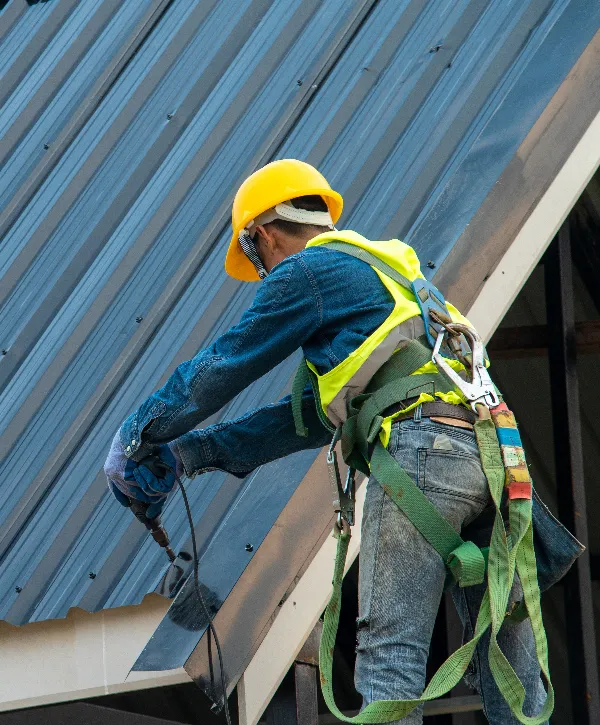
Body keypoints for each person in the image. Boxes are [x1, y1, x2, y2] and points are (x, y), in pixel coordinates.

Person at [105, 159, 568, 724]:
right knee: (512, 675)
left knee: (390, 658)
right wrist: (190, 454)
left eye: (256, 257)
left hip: (422, 456)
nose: (264, 271)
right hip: (493, 462)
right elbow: (305, 419)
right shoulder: (390, 276)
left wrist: (139, 435)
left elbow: (224, 365)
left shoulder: (308, 273)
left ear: (264, 235)